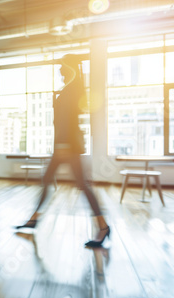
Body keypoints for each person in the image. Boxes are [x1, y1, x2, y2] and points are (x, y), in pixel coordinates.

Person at [15, 54, 110, 248]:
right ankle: (34, 218)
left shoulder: (72, 90)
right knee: (49, 179)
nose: (59, 70)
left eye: (61, 66)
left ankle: (103, 226)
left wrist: (64, 145)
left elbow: (67, 120)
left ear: (70, 68)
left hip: (68, 146)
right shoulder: (70, 89)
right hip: (63, 144)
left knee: (81, 185)